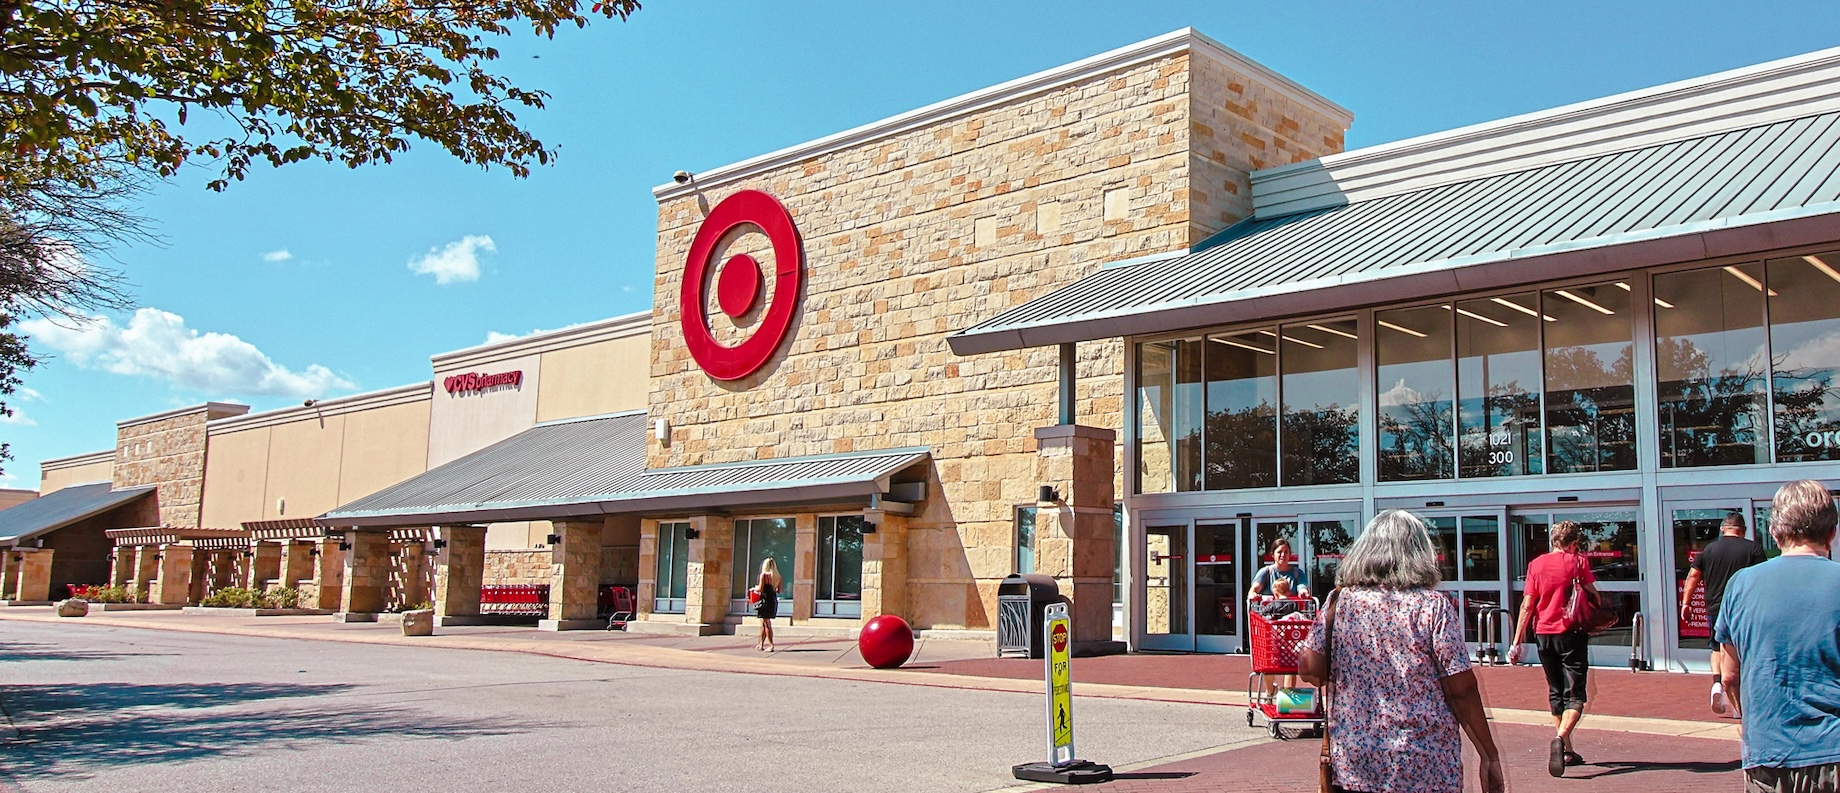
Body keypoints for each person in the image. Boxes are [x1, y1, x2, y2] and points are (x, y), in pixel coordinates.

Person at [1299, 509, 1504, 793]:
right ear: (1420, 553)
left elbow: (1309, 668)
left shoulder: (1339, 602)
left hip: (1355, 763)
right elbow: (1461, 689)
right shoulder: (1433, 606)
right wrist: (1488, 754)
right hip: (1423, 764)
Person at [1717, 479, 1840, 792]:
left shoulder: (1740, 585)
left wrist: (1751, 722)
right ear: (1832, 533)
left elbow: (1730, 675)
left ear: (1774, 532)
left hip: (1767, 750)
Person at [1506, 520, 1598, 777]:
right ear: (1573, 543)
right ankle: (1560, 738)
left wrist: (1516, 642)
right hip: (1571, 633)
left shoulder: (1536, 565)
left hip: (1543, 633)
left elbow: (1527, 604)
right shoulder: (1578, 562)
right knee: (1576, 693)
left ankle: (1568, 750)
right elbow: (1592, 593)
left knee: (1555, 690)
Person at [1680, 511, 1765, 715]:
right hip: (1744, 608)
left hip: (1715, 607)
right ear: (1742, 530)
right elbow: (1764, 579)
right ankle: (1740, 703)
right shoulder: (1752, 549)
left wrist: (1686, 603)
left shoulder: (1710, 549)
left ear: (1722, 529)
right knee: (1743, 653)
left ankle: (1718, 683)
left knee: (1717, 648)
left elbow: (1693, 576)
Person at [1247, 537, 1311, 603]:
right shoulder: (1266, 572)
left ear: (1290, 555)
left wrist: (1303, 592)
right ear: (1273, 555)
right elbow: (1255, 589)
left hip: (1292, 612)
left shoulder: (1298, 573)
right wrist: (1253, 594)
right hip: (1269, 612)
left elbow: (1302, 587)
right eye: (1279, 552)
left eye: (1286, 552)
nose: (1283, 555)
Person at [752, 558, 781, 652]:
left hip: (765, 600)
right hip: (772, 599)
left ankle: (771, 645)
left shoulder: (764, 575)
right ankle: (761, 644)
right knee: (763, 623)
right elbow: (779, 590)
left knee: (766, 623)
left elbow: (760, 589)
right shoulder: (777, 576)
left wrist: (754, 589)